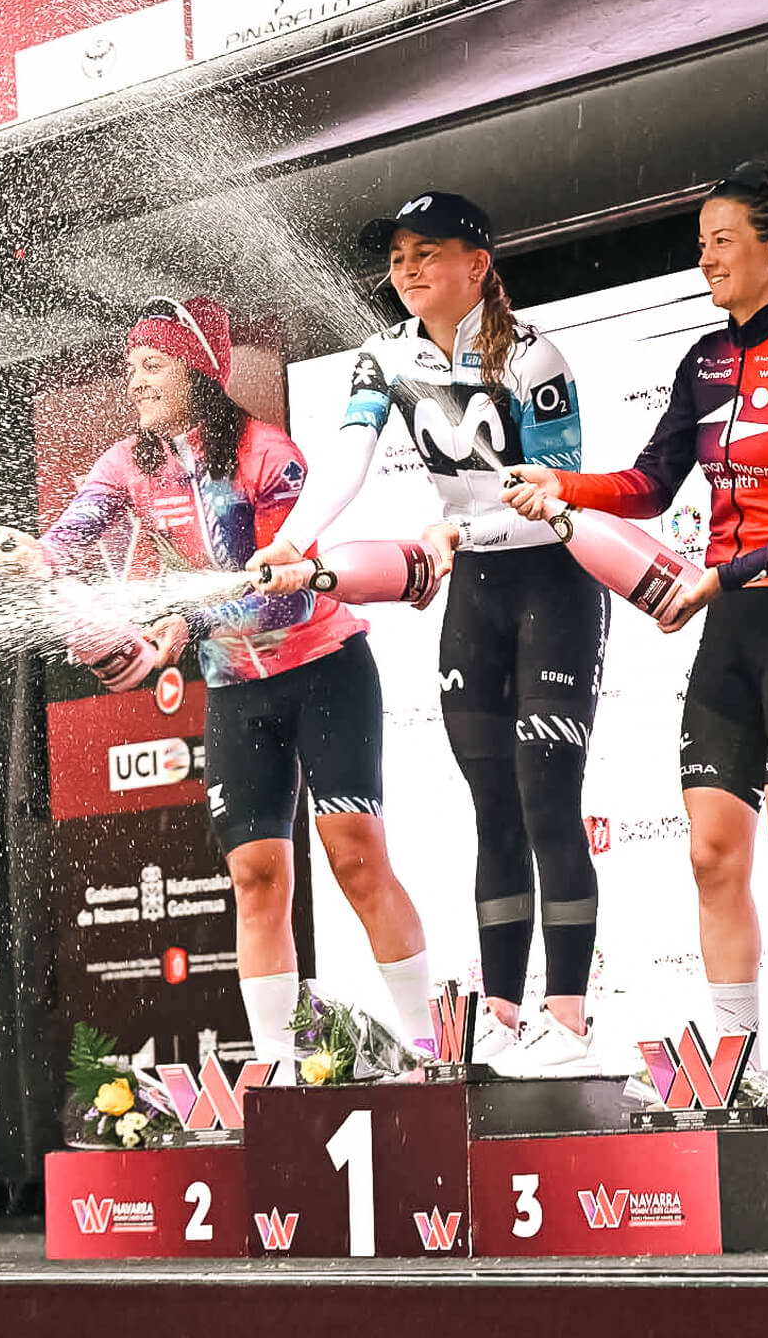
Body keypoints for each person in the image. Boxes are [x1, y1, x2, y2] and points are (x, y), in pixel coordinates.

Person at [503, 161, 768, 1121]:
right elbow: (648, 485)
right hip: (732, 624)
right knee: (714, 854)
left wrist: (727, 574)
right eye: (702, 242)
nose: (707, 257)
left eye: (724, 241)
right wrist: (561, 488)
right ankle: (735, 1063)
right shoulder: (704, 362)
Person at [0, 296, 435, 1062]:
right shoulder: (129, 464)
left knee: (356, 861)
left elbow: (294, 593)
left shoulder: (268, 455)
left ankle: (432, 1048)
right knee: (256, 878)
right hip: (238, 690)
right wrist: (45, 555)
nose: (135, 382)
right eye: (130, 367)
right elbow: (78, 525)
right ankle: (277, 1068)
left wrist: (191, 625)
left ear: (198, 371)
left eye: (153, 365)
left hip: (324, 669)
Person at [250, 193, 609, 1077]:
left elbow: (553, 490)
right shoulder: (385, 355)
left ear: (477, 265)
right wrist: (295, 538)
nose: (406, 270)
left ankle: (569, 1020)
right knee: (493, 806)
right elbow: (348, 457)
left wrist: (457, 531)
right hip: (476, 593)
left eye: (426, 252)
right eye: (398, 256)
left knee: (547, 798)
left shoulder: (535, 356)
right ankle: (505, 1016)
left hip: (553, 585)